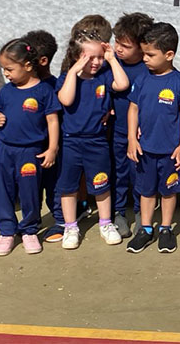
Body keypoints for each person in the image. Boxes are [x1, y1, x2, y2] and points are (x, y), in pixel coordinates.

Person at [55, 27, 129, 249]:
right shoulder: (66, 79)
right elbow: (66, 100)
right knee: (68, 187)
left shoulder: (105, 76)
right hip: (70, 142)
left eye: (99, 57)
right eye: (90, 57)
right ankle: (70, 227)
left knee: (101, 184)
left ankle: (105, 224)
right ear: (77, 57)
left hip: (97, 141)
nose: (96, 62)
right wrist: (72, 72)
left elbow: (123, 84)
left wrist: (111, 59)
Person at [0, 38, 60, 256]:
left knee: (30, 192)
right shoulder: (6, 91)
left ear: (28, 66)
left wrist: (52, 149)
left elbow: (53, 121)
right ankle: (7, 232)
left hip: (31, 151)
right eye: (4, 70)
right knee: (3, 191)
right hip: (5, 148)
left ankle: (29, 230)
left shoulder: (44, 91)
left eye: (10, 69)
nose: (6, 74)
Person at [126, 23, 180, 254]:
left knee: (169, 190)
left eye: (150, 54)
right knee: (145, 190)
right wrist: (132, 139)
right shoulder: (142, 80)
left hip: (170, 151)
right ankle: (145, 229)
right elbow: (133, 109)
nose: (145, 59)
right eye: (143, 53)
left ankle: (165, 228)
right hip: (145, 149)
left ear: (169, 54)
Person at [110, 12, 154, 237]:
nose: (118, 48)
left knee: (139, 173)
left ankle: (140, 212)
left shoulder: (150, 68)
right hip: (117, 131)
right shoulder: (110, 64)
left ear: (142, 47)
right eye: (117, 42)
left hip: (142, 134)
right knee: (118, 173)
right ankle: (118, 212)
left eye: (125, 45)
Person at [22, 29, 67, 243]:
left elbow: (56, 120)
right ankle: (32, 222)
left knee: (54, 185)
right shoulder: (20, 85)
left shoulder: (54, 86)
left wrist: (53, 147)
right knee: (30, 187)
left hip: (52, 148)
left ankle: (60, 220)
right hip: (28, 149)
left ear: (42, 60)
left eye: (26, 61)